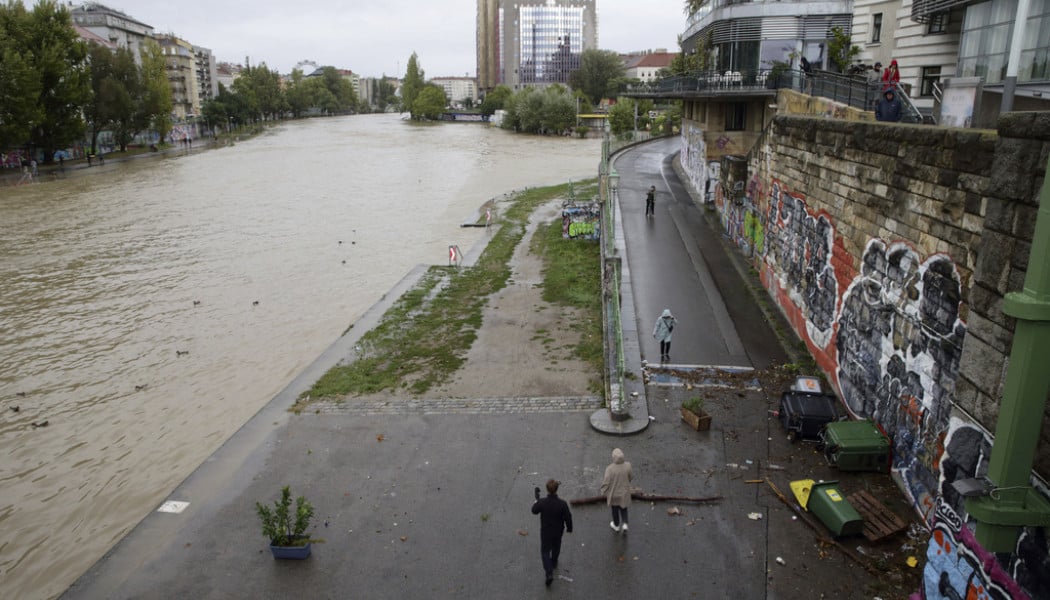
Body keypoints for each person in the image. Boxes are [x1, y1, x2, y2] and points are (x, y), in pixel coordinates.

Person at [531, 479, 573, 587]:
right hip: (558, 531)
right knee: (556, 546)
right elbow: (568, 517)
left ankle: (549, 572)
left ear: (547, 490)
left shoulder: (543, 502)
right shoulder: (562, 504)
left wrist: (536, 501)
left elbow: (534, 510)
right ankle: (554, 562)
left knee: (545, 551)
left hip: (546, 531)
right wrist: (569, 528)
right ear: (557, 490)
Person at [601, 448, 633, 534]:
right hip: (624, 493)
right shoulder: (628, 465)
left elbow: (606, 482)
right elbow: (631, 477)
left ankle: (616, 525)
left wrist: (603, 491)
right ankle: (625, 523)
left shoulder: (609, 468)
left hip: (613, 494)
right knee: (624, 508)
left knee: (614, 509)